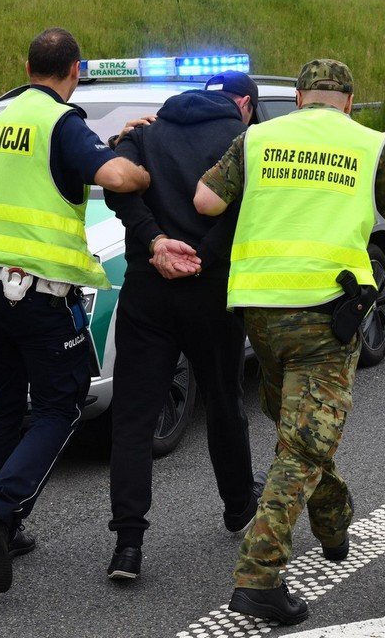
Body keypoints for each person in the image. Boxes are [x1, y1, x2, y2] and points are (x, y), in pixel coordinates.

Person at [194, 59, 385, 625]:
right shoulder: (368, 144)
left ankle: (333, 522)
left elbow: (206, 201)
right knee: (303, 445)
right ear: (348, 101)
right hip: (327, 313)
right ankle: (259, 575)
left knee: (300, 428)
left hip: (258, 309)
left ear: (299, 98)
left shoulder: (257, 139)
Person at [0, 27, 150, 594]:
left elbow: (51, 166)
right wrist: (140, 167)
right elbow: (114, 176)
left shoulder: (6, 116)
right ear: (75, 71)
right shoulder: (61, 122)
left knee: (3, 403)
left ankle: (2, 527)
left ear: (28, 67)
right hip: (35, 290)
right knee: (59, 406)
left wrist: (104, 142)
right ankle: (0, 509)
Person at [102, 71, 265, 582]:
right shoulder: (242, 140)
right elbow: (246, 209)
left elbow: (118, 191)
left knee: (134, 417)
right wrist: (203, 256)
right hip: (212, 291)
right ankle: (238, 506)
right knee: (223, 402)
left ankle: (128, 544)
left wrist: (154, 240)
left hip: (147, 290)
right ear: (244, 104)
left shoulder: (145, 132)